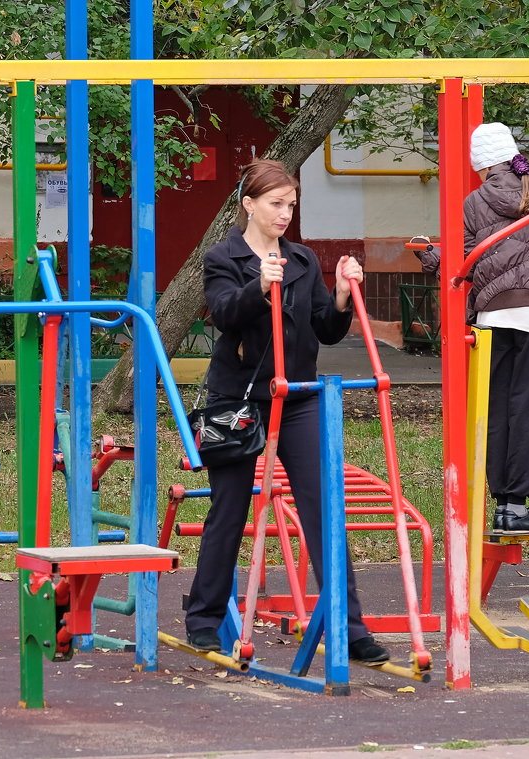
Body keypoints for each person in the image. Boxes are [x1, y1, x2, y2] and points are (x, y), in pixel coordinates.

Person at [185, 158, 390, 665]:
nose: (284, 214)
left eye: (291, 205)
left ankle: (349, 625)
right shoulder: (224, 257)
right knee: (229, 508)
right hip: (239, 399)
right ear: (249, 205)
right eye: (275, 204)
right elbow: (225, 312)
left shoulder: (298, 260)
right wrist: (258, 286)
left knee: (323, 510)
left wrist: (341, 296)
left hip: (297, 397)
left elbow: (324, 327)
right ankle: (204, 618)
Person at [413, 122, 529, 534]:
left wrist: (433, 257)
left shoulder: (472, 202)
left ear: (482, 166)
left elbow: (463, 260)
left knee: (497, 407)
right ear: (512, 154)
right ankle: (517, 505)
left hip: (493, 315)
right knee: (528, 409)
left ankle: (500, 503)